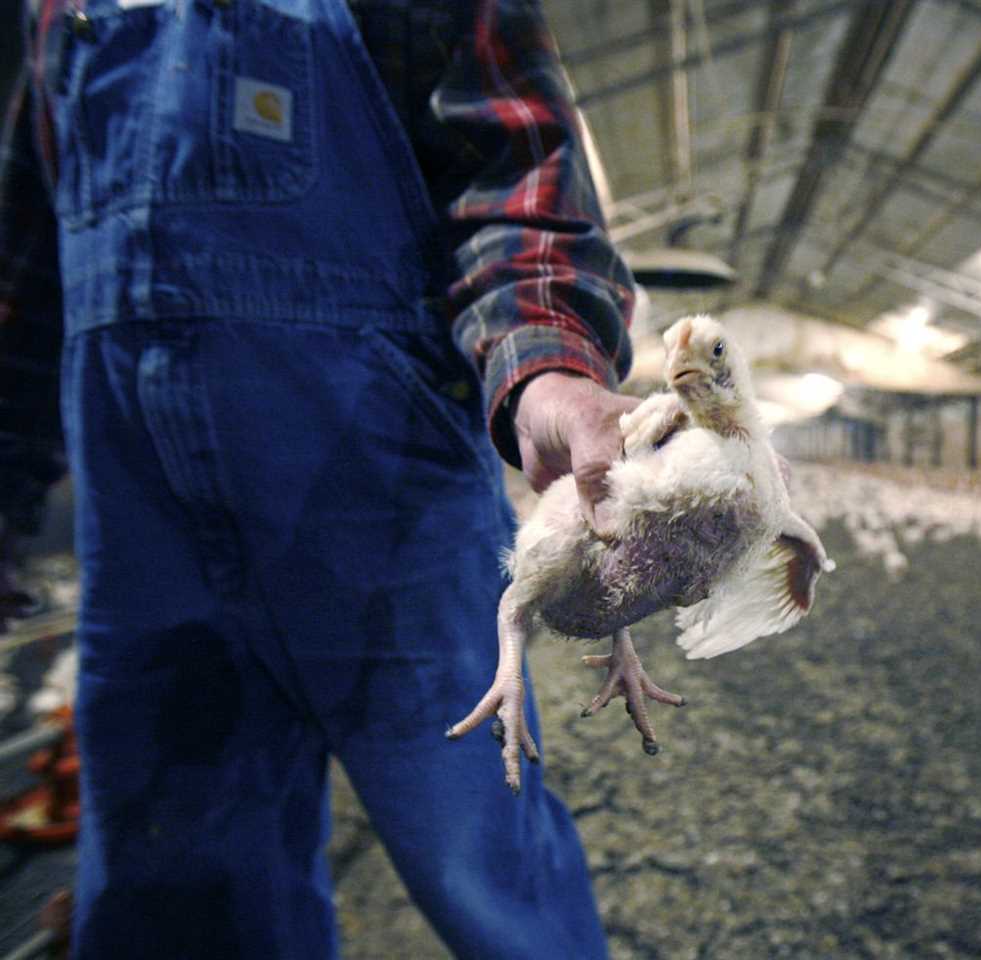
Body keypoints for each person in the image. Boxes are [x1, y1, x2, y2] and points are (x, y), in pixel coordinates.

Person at [0, 0, 639, 956]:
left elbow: (516, 177)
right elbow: (24, 285)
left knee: (483, 855)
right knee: (172, 880)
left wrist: (545, 368)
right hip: (146, 546)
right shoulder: (58, 12)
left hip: (380, 505)